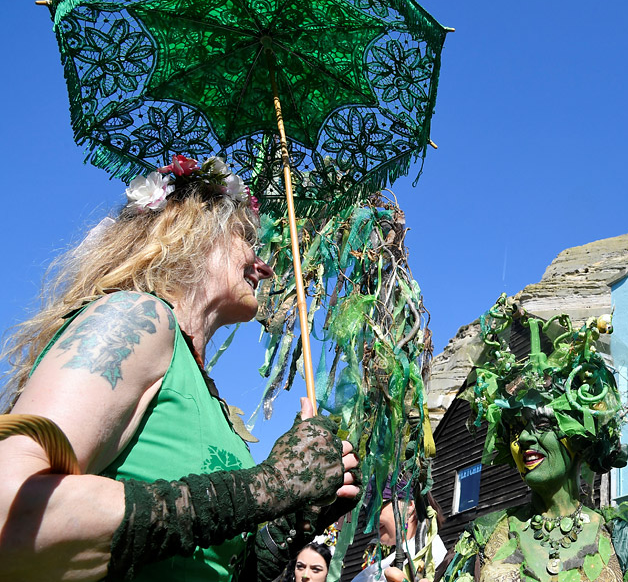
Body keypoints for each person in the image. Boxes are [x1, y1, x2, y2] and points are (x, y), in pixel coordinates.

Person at [0, 155, 360, 581]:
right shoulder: (135, 317)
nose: (264, 266)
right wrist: (269, 486)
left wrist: (292, 518)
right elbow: (13, 514)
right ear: (195, 233)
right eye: (247, 239)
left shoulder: (209, 397)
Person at [435, 297, 628, 582]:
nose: (524, 439)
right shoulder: (483, 540)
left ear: (579, 437)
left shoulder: (623, 543)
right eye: (514, 430)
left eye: (541, 423)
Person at [350, 481, 446, 582]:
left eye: (377, 506)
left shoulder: (430, 553)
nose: (371, 519)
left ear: (409, 505)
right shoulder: (384, 563)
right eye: (367, 511)